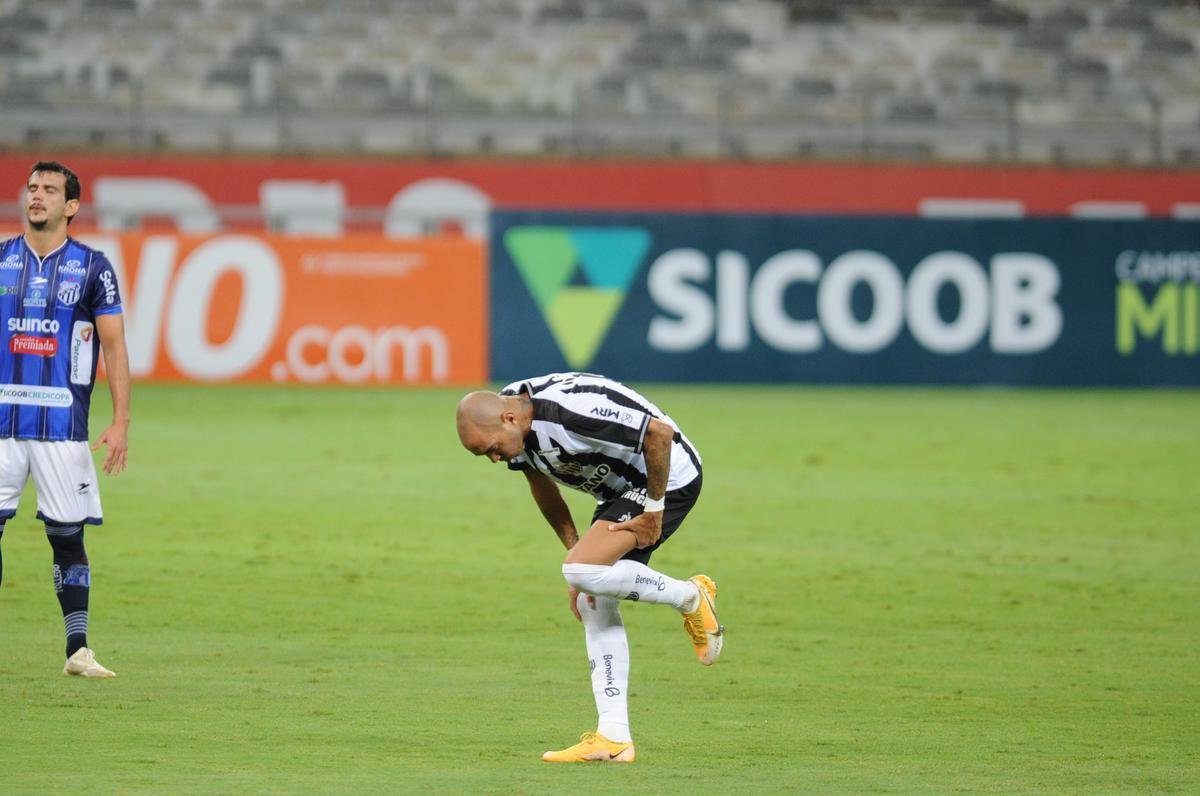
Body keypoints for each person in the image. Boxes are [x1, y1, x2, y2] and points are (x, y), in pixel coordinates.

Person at [456, 372, 723, 763]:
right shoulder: (515, 425)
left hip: (667, 479)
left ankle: (690, 596)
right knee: (590, 597)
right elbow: (542, 486)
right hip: (618, 490)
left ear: (508, 420)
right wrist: (577, 552)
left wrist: (653, 511)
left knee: (581, 573)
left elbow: (660, 435)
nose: (495, 458)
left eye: (493, 448)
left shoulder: (568, 412)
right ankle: (614, 738)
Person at [0, 160, 131, 678]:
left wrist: (121, 421)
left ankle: (77, 650)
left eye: (50, 190)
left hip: (61, 427)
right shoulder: (1, 259)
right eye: (32, 188)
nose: (37, 196)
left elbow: (115, 348)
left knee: (67, 536)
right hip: (2, 423)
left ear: (71, 206)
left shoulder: (93, 267)